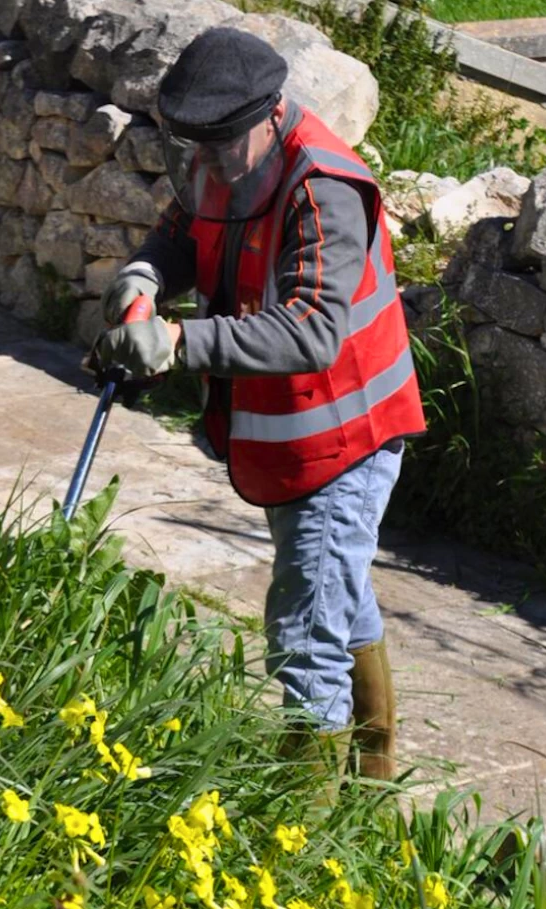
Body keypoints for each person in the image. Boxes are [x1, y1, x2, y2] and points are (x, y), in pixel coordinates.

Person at [88, 26, 427, 791]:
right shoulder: (227, 161)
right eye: (192, 149)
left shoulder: (324, 189)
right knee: (338, 595)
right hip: (293, 437)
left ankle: (295, 835)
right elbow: (185, 228)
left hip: (346, 438)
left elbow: (312, 328)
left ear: (268, 119)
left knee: (305, 633)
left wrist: (177, 340)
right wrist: (145, 276)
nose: (202, 167)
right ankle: (372, 789)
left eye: (217, 148)